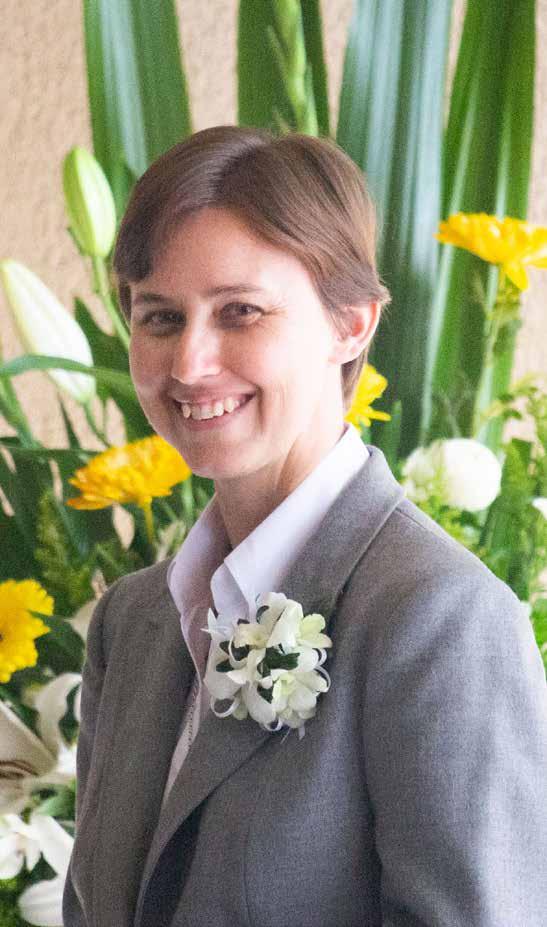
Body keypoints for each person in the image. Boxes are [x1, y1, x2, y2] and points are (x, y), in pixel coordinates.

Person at [63, 126, 547, 927]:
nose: (189, 363)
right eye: (161, 317)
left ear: (350, 323)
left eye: (240, 312)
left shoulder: (440, 619)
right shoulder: (131, 619)